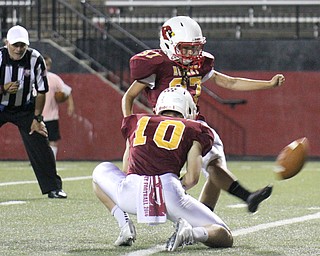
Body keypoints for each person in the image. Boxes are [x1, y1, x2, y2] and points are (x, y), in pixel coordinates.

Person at [122, 16, 286, 213]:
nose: (191, 53)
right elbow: (128, 97)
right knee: (142, 173)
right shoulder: (158, 64)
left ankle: (220, 209)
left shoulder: (199, 63)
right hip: (167, 127)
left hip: (192, 123)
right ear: (168, 43)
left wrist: (268, 84)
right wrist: (130, 129)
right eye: (186, 48)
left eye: (195, 47)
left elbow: (229, 82)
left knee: (216, 163)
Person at [92, 87, 233, 251]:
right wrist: (175, 189)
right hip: (169, 193)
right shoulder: (195, 128)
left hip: (130, 194)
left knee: (100, 171)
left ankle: (124, 226)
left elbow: (126, 168)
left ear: (158, 108)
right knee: (224, 235)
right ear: (188, 109)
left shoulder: (137, 122)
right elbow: (192, 178)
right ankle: (192, 234)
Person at [0, 25, 67, 199]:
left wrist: (37, 118)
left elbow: (42, 90)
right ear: (7, 43)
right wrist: (3, 88)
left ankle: (53, 187)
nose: (19, 49)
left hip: (24, 108)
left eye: (22, 45)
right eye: (15, 45)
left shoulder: (35, 58)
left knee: (40, 140)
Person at [42, 55, 75, 160]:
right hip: (37, 116)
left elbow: (67, 91)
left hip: (51, 115)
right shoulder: (33, 77)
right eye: (43, 64)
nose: (45, 67)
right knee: (37, 139)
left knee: (53, 139)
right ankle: (39, 160)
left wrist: (70, 105)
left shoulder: (54, 78)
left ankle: (52, 160)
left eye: (47, 65)